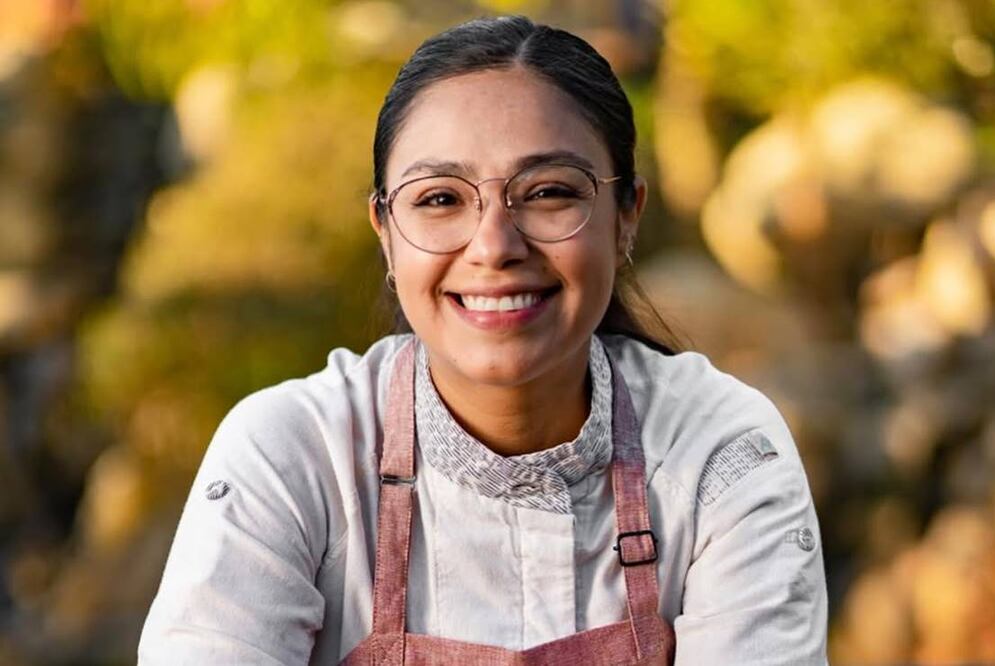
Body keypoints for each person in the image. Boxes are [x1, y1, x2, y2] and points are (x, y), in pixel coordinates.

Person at [138, 15, 828, 665]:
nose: (494, 246)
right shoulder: (294, 458)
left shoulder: (721, 457)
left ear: (625, 218)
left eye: (550, 191)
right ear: (385, 231)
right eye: (440, 199)